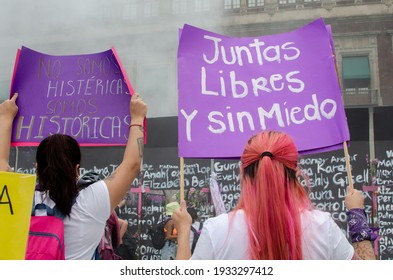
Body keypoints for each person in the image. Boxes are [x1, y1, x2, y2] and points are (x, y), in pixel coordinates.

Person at [173, 130, 376, 260]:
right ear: (296, 175)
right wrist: (356, 214)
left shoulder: (217, 232)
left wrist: (183, 230)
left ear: (242, 174)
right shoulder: (323, 227)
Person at [0, 92, 147, 259]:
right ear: (77, 169)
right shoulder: (91, 203)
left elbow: (1, 165)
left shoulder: (16, 199)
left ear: (37, 168)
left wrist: (5, 117)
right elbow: (132, 165)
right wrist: (137, 118)